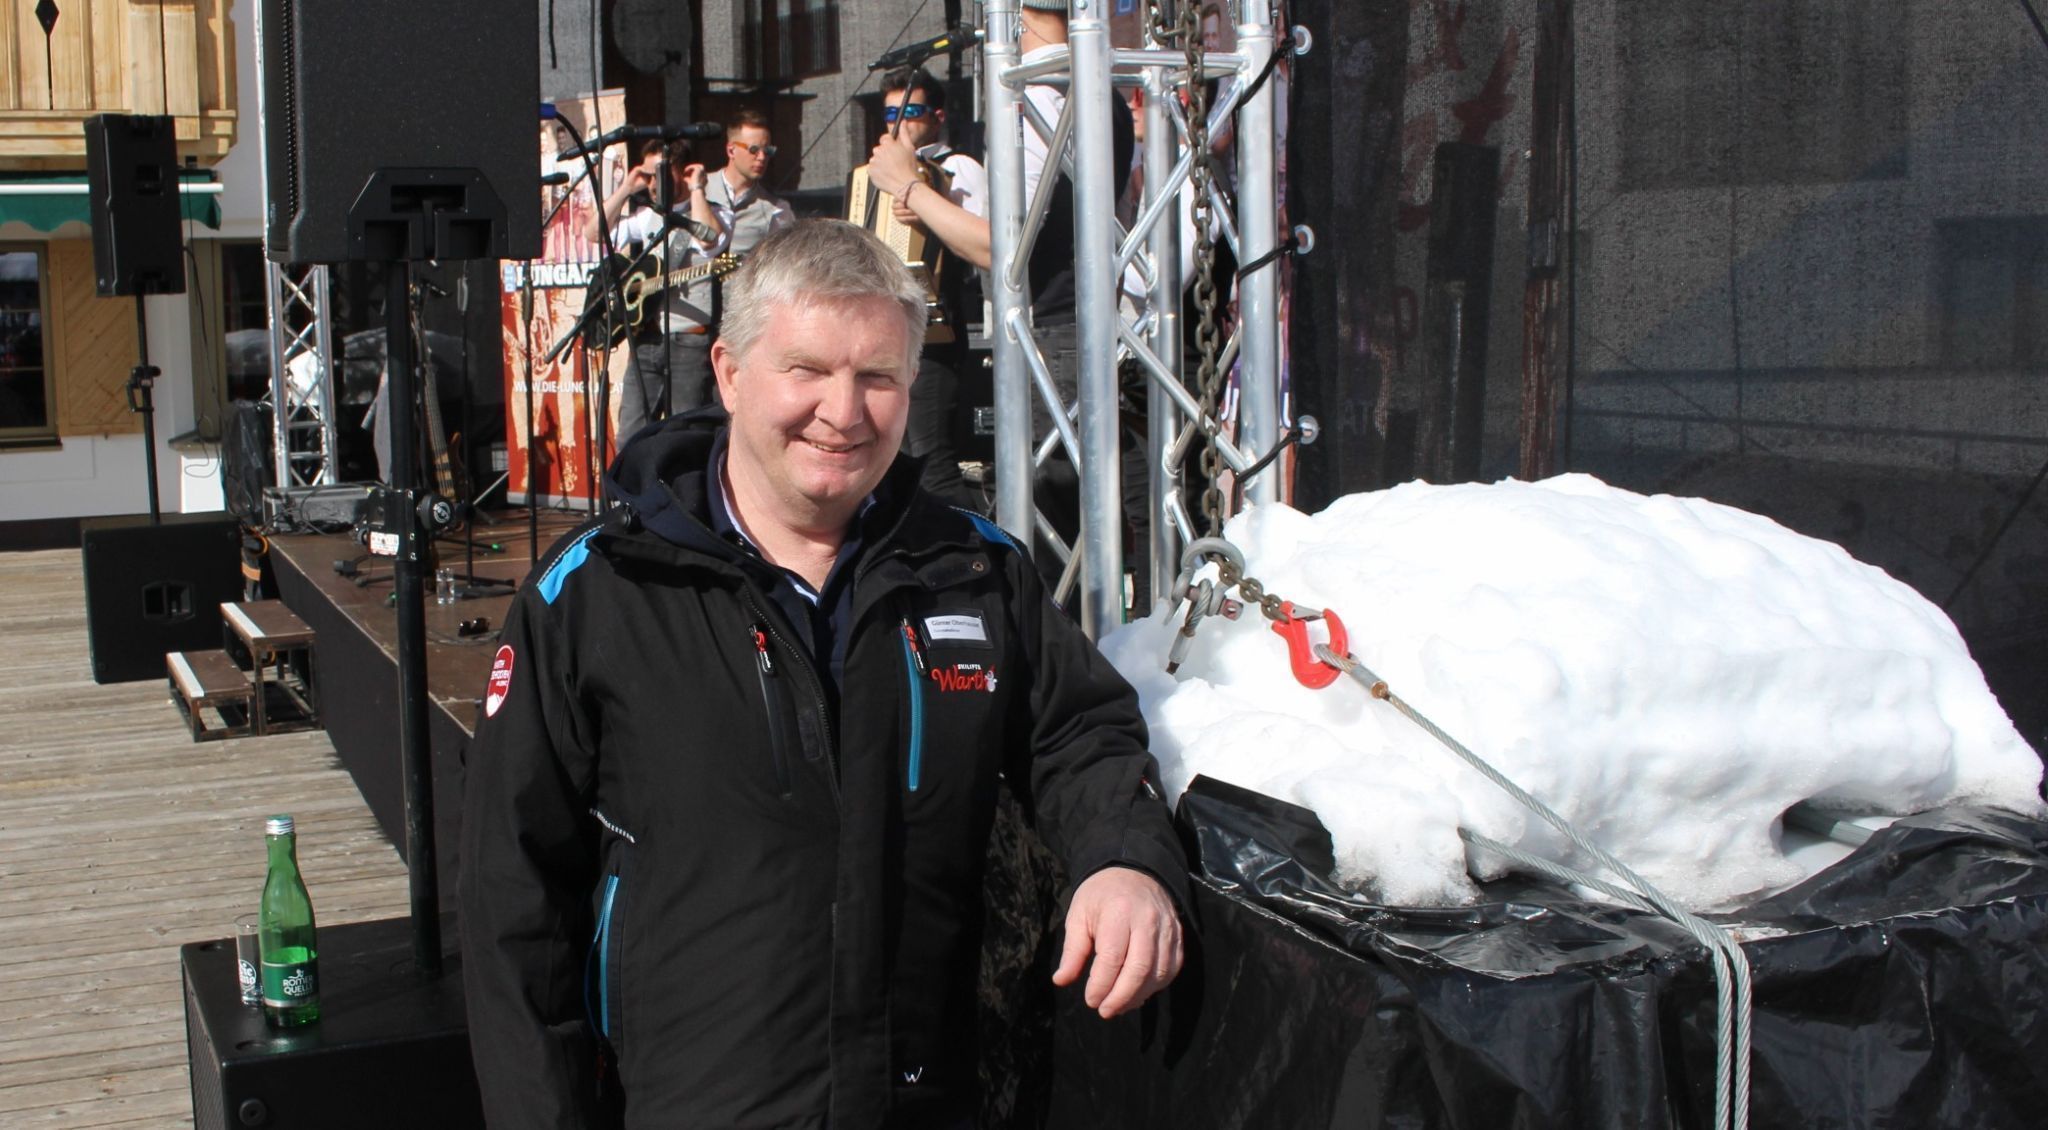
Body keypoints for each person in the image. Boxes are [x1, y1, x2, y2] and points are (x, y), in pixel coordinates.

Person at [459, 219, 1189, 1130]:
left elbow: (1080, 733)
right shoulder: (599, 592)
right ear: (729, 372)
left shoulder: (974, 571)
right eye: (806, 370)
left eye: (877, 376)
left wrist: (1124, 861)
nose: (843, 412)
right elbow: (512, 901)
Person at [865, 67, 990, 510]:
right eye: (891, 114)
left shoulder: (956, 167)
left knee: (930, 459)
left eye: (911, 112)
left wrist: (925, 201)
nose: (899, 123)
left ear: (937, 117)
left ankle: (972, 558)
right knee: (896, 457)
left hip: (937, 331)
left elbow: (981, 240)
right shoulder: (877, 174)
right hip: (889, 332)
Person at [585, 140, 725, 443]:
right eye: (647, 176)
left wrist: (697, 189)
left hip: (689, 340)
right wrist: (625, 188)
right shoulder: (648, 216)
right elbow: (594, 233)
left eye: (658, 174)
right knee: (630, 437)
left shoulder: (713, 213)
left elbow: (711, 241)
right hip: (646, 338)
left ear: (683, 172)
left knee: (686, 437)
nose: (651, 184)